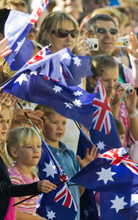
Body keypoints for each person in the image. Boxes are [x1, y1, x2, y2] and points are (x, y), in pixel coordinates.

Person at [35, 11, 89, 151]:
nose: (69, 38)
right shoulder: (38, 66)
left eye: (73, 33)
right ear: (47, 35)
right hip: (42, 149)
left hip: (71, 149)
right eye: (62, 32)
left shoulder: (75, 66)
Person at [38, 105, 97, 220]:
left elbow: (76, 193)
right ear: (41, 123)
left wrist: (84, 172)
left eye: (64, 123)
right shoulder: (38, 154)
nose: (60, 127)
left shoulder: (70, 154)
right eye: (55, 122)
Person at [89, 54, 138, 146]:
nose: (111, 85)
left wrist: (131, 111)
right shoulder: (91, 107)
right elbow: (112, 139)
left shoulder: (123, 107)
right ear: (93, 80)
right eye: (106, 80)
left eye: (115, 80)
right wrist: (116, 106)